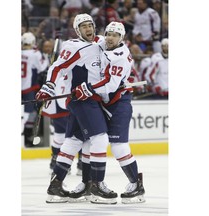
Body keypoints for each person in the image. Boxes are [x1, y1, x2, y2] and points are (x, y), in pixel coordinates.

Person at [35, 13, 117, 204]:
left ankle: (56, 186)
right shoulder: (73, 46)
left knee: (73, 141)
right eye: (84, 26)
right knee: (99, 138)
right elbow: (57, 67)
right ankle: (97, 185)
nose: (88, 29)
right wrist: (48, 87)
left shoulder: (101, 43)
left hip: (90, 100)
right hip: (82, 100)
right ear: (77, 30)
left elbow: (118, 51)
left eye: (90, 25)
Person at [69, 21, 145, 204]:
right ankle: (89, 184)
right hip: (105, 101)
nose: (110, 38)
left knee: (119, 147)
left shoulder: (120, 55)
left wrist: (87, 88)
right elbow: (92, 43)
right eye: (108, 33)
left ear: (122, 38)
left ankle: (137, 185)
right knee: (91, 142)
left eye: (115, 35)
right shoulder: (103, 43)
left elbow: (110, 85)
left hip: (119, 103)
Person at [21, 32, 48, 147]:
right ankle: (26, 137)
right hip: (28, 87)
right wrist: (46, 57)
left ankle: (25, 137)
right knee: (29, 113)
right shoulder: (35, 54)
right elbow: (42, 67)